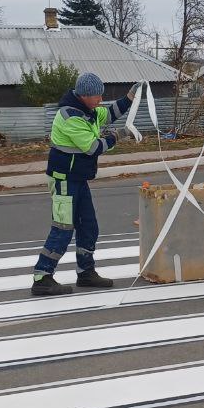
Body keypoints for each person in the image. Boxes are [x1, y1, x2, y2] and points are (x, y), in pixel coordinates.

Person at [31, 72, 134, 296]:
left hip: (77, 178)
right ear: (85, 95)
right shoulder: (71, 117)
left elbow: (107, 114)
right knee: (63, 229)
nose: (100, 100)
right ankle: (42, 276)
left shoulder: (88, 110)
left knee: (88, 226)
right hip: (64, 180)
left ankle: (86, 272)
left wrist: (130, 98)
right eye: (97, 96)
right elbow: (93, 147)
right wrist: (119, 135)